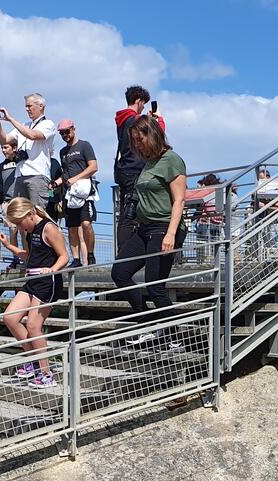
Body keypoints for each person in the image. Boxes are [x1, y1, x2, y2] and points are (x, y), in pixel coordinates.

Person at [110, 115, 187, 349]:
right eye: (134, 141)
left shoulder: (172, 160)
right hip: (144, 228)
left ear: (152, 134)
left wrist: (171, 234)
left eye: (140, 139)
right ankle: (148, 323)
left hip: (164, 227)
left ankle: (175, 337)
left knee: (155, 286)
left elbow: (179, 200)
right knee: (120, 273)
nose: (137, 145)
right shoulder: (149, 163)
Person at [0, 198, 69, 389]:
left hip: (48, 282)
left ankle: (46, 374)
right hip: (33, 280)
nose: (20, 227)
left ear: (30, 214)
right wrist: (8, 246)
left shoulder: (49, 228)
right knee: (10, 318)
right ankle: (34, 359)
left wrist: (52, 269)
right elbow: (29, 256)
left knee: (34, 326)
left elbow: (64, 256)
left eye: (20, 222)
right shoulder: (29, 231)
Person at [114, 85, 165, 251]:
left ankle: (123, 253)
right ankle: (124, 254)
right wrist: (159, 120)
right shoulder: (135, 120)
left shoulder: (122, 119)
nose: (144, 106)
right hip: (135, 168)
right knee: (129, 215)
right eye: (143, 103)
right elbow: (157, 136)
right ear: (138, 100)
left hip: (124, 169)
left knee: (125, 212)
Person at [0, 93, 57, 208]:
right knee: (20, 216)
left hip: (37, 175)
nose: (27, 109)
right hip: (20, 175)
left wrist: (11, 119)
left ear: (41, 106)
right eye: (26, 106)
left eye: (29, 106)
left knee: (37, 214)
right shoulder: (24, 125)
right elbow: (4, 140)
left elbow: (33, 135)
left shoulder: (48, 124)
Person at [53, 119, 98, 268]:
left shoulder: (85, 145)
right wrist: (56, 182)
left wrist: (76, 178)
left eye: (67, 132)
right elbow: (65, 174)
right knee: (72, 227)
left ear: (73, 129)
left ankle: (90, 256)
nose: (65, 135)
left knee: (86, 224)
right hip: (69, 195)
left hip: (84, 193)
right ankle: (76, 259)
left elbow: (93, 167)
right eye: (61, 133)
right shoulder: (63, 152)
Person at [0, 140, 23, 269]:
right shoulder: (1, 166)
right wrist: (1, 200)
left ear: (14, 148)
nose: (3, 150)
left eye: (6, 147)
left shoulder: (21, 161)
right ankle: (15, 258)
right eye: (2, 148)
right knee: (12, 231)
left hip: (20, 201)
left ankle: (27, 258)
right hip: (7, 202)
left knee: (24, 231)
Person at [194, 173, 224, 264]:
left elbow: (201, 207)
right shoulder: (219, 192)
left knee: (202, 245)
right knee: (215, 245)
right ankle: (215, 262)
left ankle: (203, 262)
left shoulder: (205, 192)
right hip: (217, 222)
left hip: (205, 222)